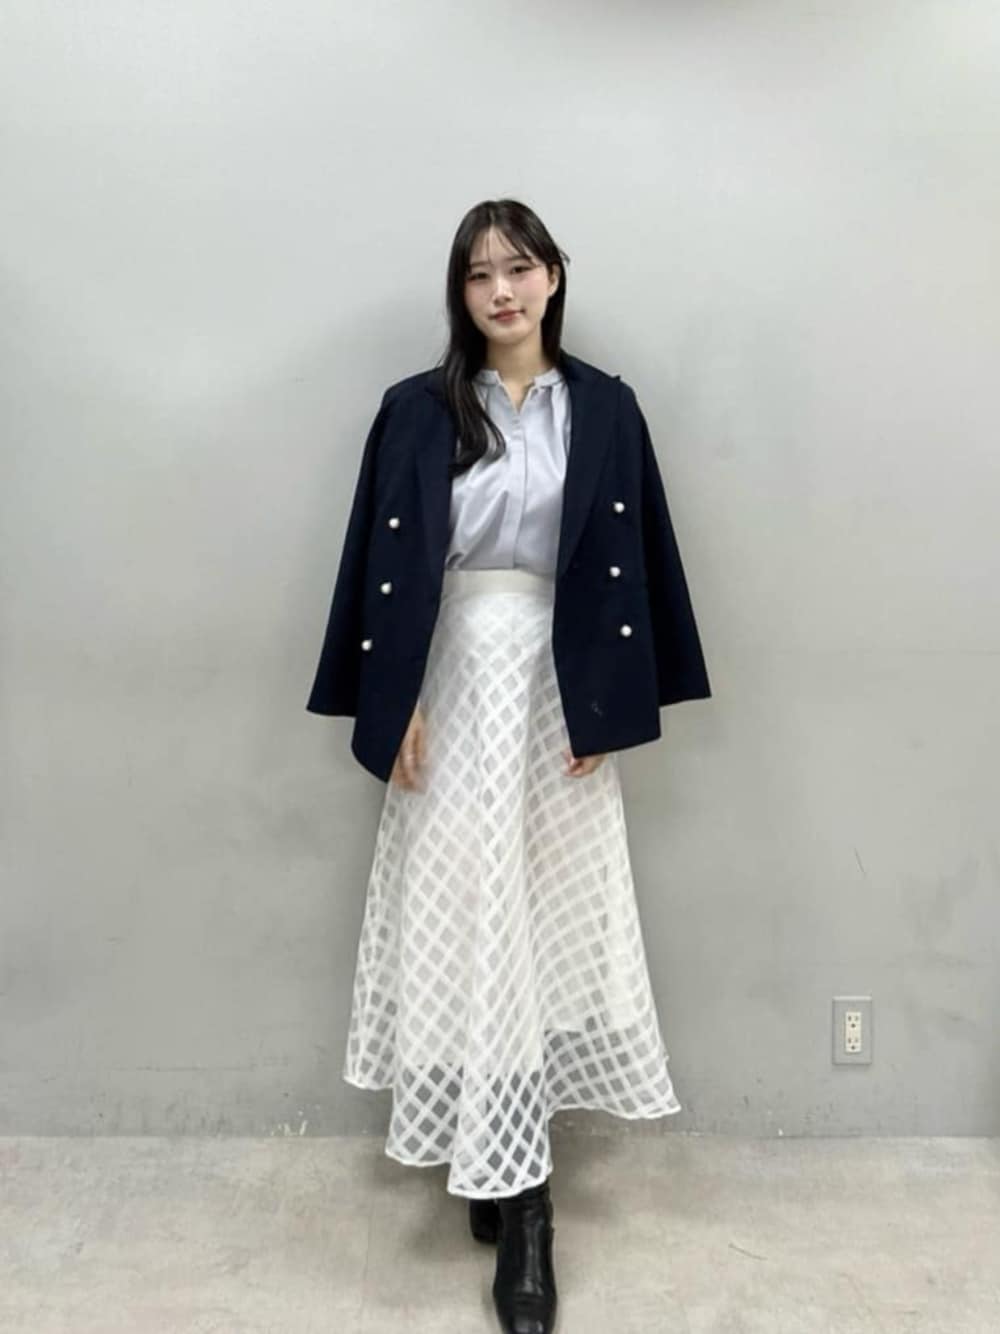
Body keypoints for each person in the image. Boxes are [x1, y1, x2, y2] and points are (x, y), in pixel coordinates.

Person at [306, 198, 711, 1334]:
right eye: (480, 273)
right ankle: (502, 1174)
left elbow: (642, 554)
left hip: (557, 688)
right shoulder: (417, 410)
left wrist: (614, 698)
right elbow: (374, 564)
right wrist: (393, 700)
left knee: (538, 923)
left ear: (552, 278)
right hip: (453, 679)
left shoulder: (607, 407)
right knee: (464, 915)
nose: (501, 290)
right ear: (462, 292)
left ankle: (523, 1201)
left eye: (519, 268)